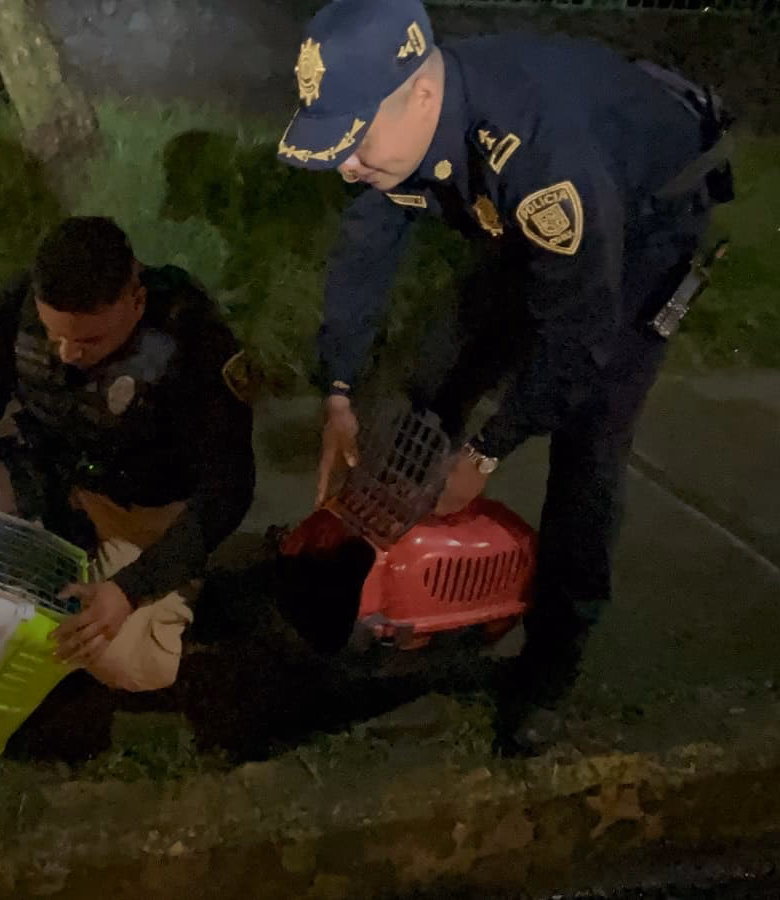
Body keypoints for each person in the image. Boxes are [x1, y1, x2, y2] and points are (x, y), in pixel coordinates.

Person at [274, 0, 734, 752]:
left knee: (590, 441)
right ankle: (394, 576)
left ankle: (551, 666)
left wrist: (488, 449)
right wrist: (341, 390)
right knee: (440, 361)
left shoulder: (548, 163)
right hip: (539, 200)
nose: (344, 164)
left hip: (648, 219)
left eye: (354, 142)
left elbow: (580, 339)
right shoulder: (411, 120)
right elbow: (365, 244)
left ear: (421, 94)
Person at [0, 215, 257, 693]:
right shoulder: (18, 304)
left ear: (136, 301)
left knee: (128, 666)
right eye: (56, 337)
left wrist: (131, 588)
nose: (68, 353)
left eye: (89, 340)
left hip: (144, 514)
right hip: (56, 479)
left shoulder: (189, 335)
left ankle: (192, 599)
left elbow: (230, 487)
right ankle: (34, 582)